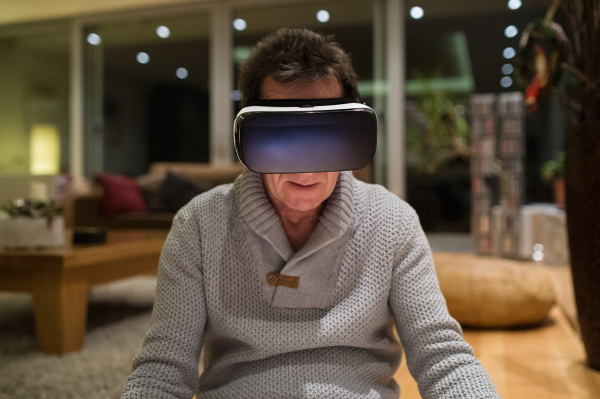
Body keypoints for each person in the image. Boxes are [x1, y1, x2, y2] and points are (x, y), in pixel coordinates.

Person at [121, 28, 499, 399]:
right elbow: (163, 368)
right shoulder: (199, 225)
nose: (306, 172)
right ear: (251, 137)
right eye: (283, 139)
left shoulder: (393, 221)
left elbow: (442, 355)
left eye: (324, 137)